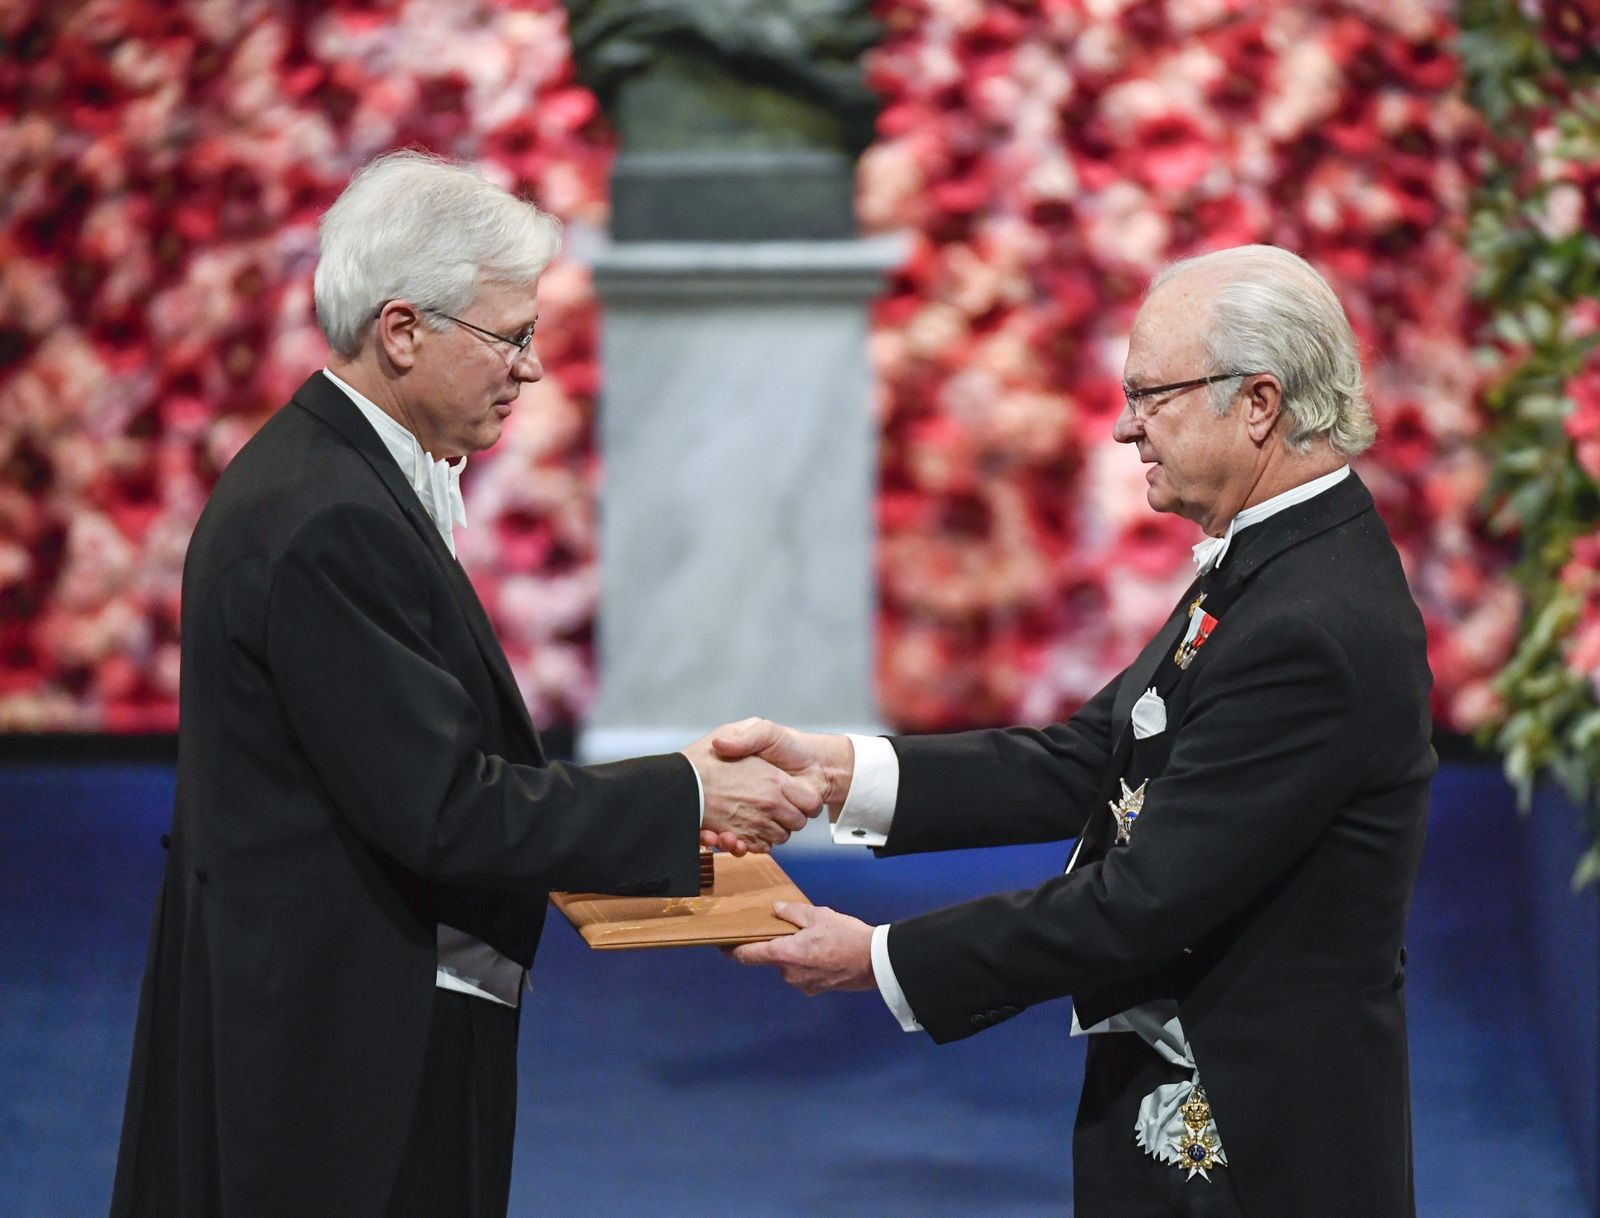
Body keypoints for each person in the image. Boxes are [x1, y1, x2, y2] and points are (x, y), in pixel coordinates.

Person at [110, 150, 823, 1218]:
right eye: (512, 338)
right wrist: (685, 795)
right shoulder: (328, 517)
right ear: (404, 331)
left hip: (347, 1015)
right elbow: (441, 808)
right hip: (337, 1058)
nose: (531, 369)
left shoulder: (332, 477)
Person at [721, 245, 1433, 1218]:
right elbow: (1095, 757)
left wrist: (881, 960)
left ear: (1258, 403)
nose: (1122, 429)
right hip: (1192, 1109)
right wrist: (840, 771)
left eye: (1151, 396)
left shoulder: (1309, 617)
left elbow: (1142, 902)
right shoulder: (1277, 558)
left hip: (1250, 1145)